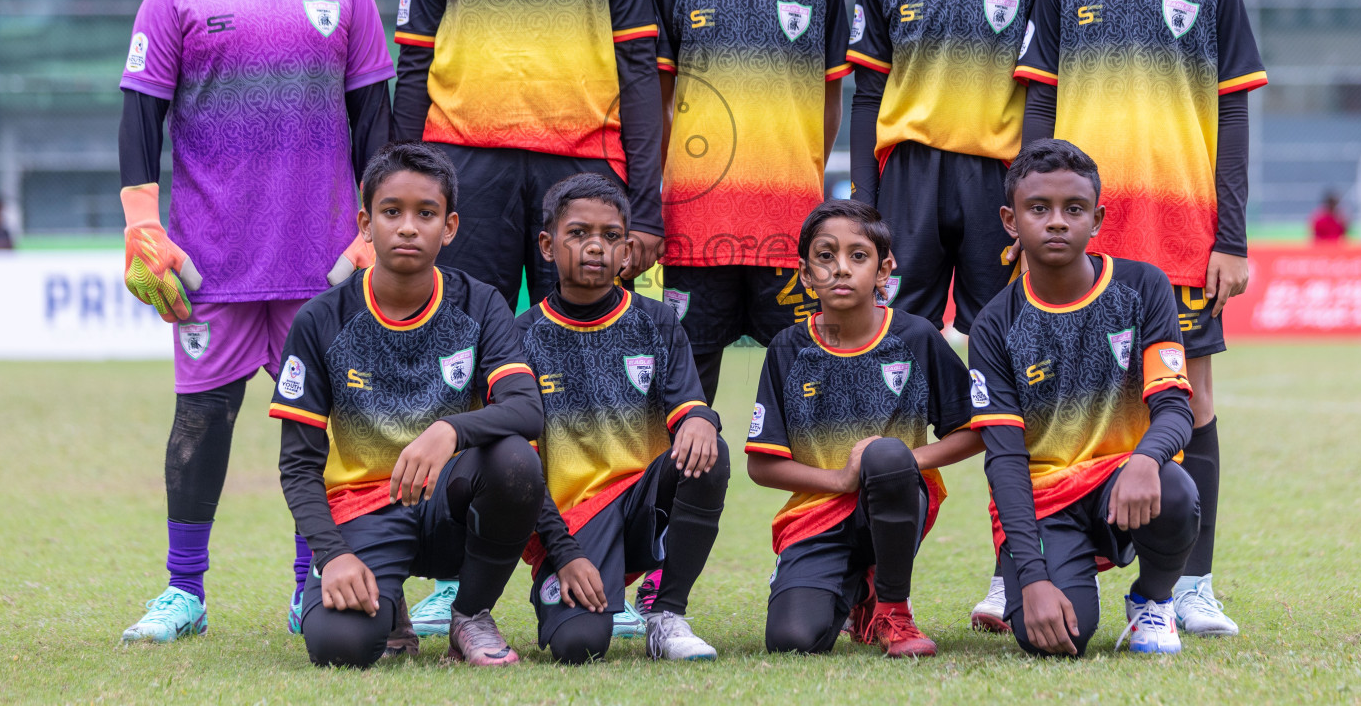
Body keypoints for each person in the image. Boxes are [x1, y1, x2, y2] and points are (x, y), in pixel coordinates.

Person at [390, 0, 665, 632]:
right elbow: (411, 71)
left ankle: (592, 564)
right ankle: (446, 569)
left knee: (586, 373)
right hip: (466, 164)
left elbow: (636, 72)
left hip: (578, 171)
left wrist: (644, 203)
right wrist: (403, 184)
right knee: (458, 368)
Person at [116, 0, 393, 644]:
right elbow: (141, 115)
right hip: (211, 265)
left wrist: (374, 227)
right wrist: (140, 225)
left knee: (326, 430)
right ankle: (184, 591)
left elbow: (373, 117)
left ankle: (311, 584)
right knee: (201, 423)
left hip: (324, 268)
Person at [1014, 0, 1266, 637]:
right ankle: (1022, 561)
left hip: (1182, 237)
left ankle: (1190, 581)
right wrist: (1026, 216)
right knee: (1057, 401)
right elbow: (1039, 104)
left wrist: (1229, 236)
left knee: (1188, 396)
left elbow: (1233, 120)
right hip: (1079, 242)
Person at [845, 0, 1051, 634]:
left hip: (1000, 187)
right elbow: (866, 92)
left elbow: (1042, 94)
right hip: (910, 189)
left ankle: (1016, 569)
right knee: (881, 373)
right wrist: (863, 207)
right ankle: (864, 577)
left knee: (1020, 367)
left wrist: (1030, 192)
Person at [271, 142, 545, 668]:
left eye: (426, 213)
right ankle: (386, 599)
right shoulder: (320, 320)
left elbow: (527, 407)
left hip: (450, 509)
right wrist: (333, 555)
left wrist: (450, 430)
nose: (407, 227)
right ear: (365, 224)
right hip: (363, 510)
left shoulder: (480, 302)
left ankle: (470, 615)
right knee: (339, 649)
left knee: (515, 460)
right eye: (391, 211)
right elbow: (298, 464)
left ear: (451, 227)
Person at [968, 139, 1199, 657]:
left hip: (1123, 483)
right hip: (1045, 500)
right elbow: (1004, 461)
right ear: (1011, 220)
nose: (1056, 222)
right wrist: (1031, 577)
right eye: (1038, 209)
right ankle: (1064, 569)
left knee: (1176, 488)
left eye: (1073, 210)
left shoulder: (1143, 288)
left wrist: (1145, 457)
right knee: (1055, 643)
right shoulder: (994, 325)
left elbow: (1176, 409)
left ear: (1096, 219)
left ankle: (1153, 602)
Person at [652, 0, 850, 409]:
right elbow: (660, 103)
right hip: (693, 233)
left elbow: (830, 98)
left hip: (789, 228)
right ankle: (677, 507)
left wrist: (801, 176)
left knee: (813, 396)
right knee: (681, 403)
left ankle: (821, 505)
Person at [747, 199, 980, 658]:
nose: (840, 269)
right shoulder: (788, 348)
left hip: (896, 498)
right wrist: (839, 478)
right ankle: (858, 592)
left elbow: (974, 430)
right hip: (819, 512)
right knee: (793, 641)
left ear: (883, 269)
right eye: (825, 256)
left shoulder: (915, 337)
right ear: (805, 272)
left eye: (858, 256)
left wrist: (898, 462)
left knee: (886, 454)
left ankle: (894, 609)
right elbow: (761, 464)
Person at [519, 173, 727, 663]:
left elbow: (689, 407)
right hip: (571, 523)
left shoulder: (657, 321)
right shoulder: (520, 335)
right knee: (579, 647)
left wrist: (702, 418)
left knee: (706, 455)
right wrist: (562, 551)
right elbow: (519, 466)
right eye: (579, 234)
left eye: (611, 237)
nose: (596, 247)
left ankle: (665, 611)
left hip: (640, 502)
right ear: (548, 245)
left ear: (628, 252)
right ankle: (578, 585)